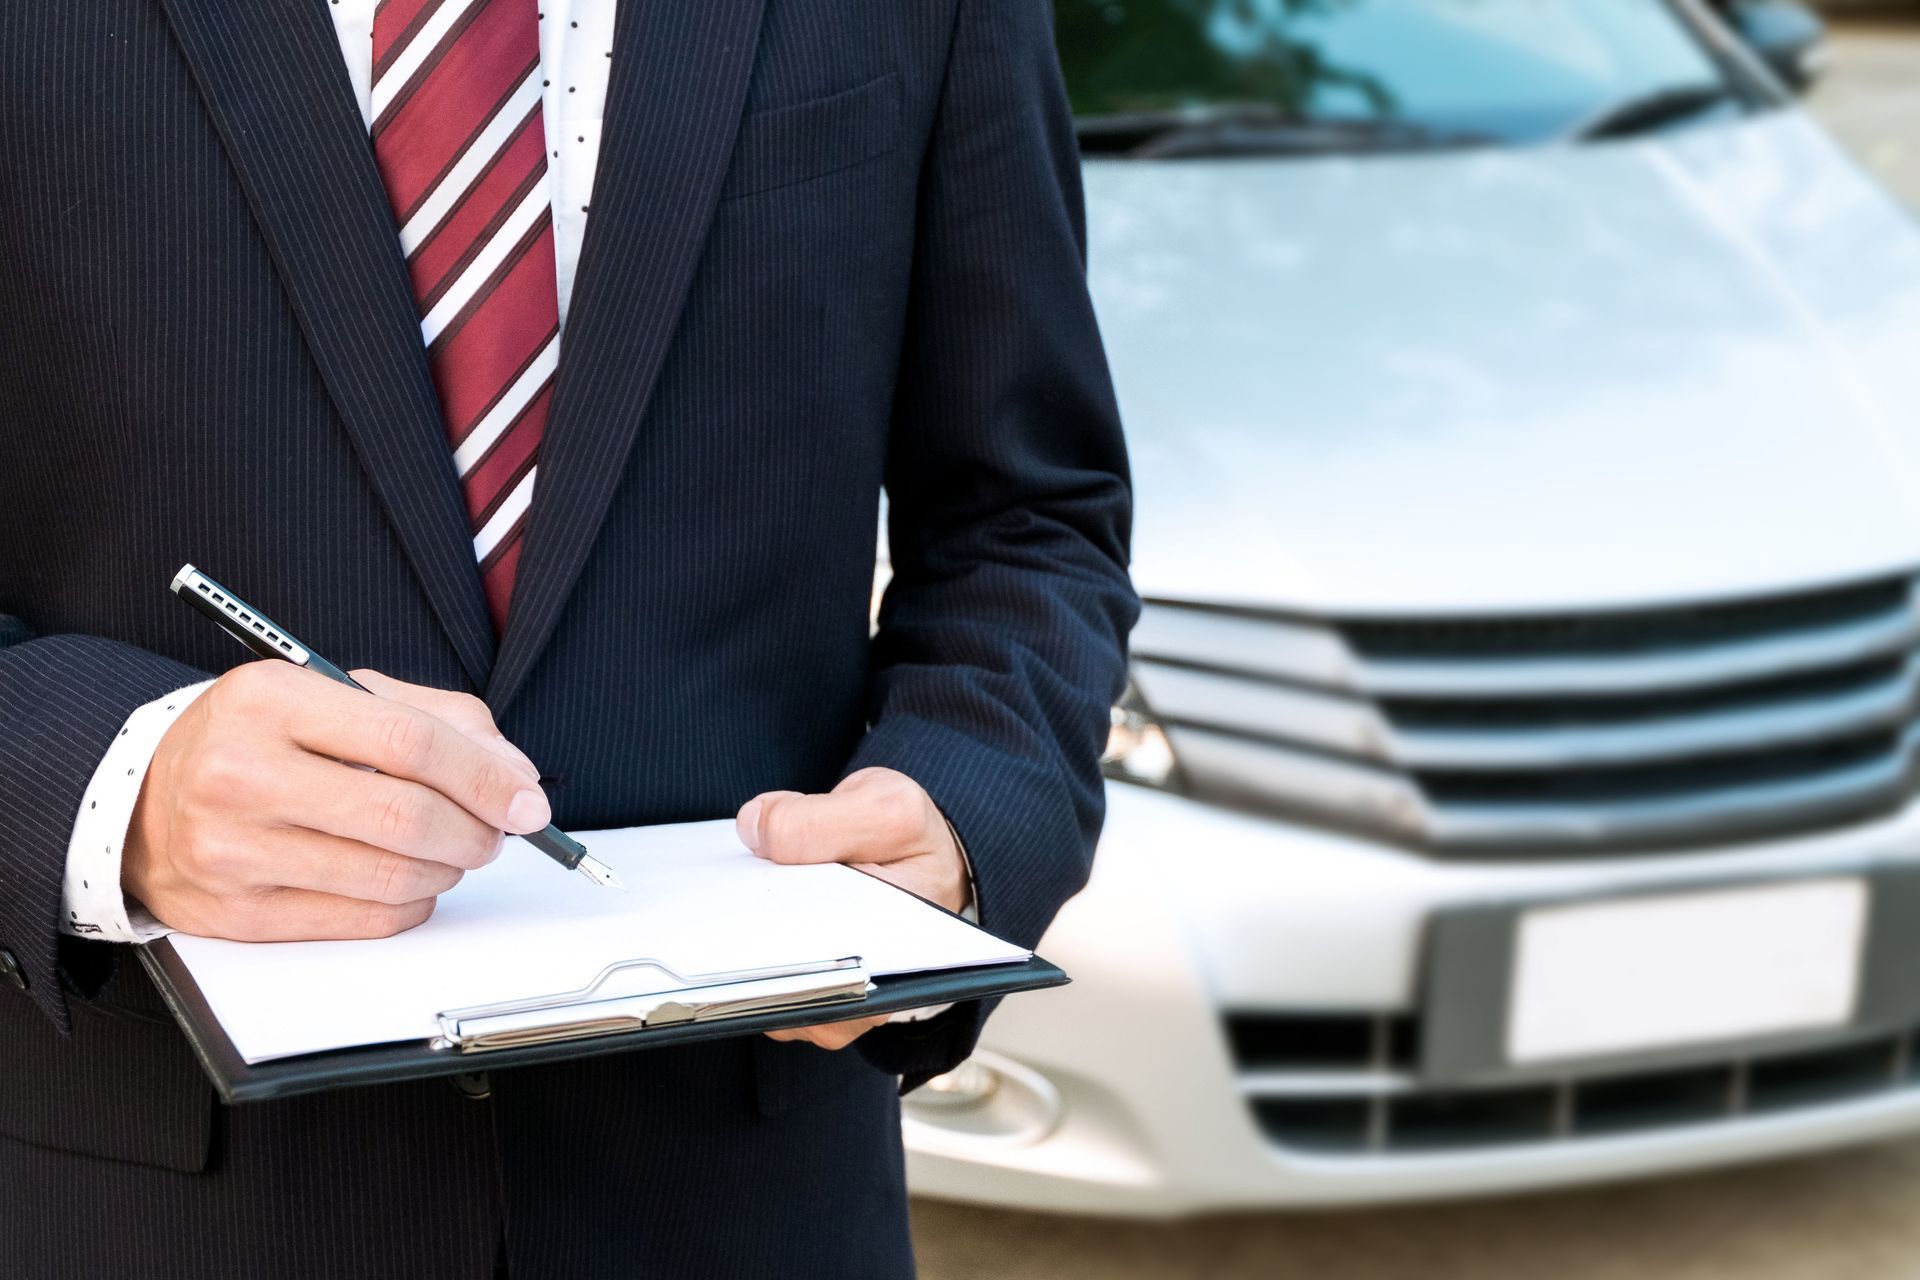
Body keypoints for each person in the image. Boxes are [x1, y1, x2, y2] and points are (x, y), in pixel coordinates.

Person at [0, 1, 1135, 1277]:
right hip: (137, 1205)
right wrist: (115, 789)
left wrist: (968, 809)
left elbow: (1027, 513)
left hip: (746, 1198)